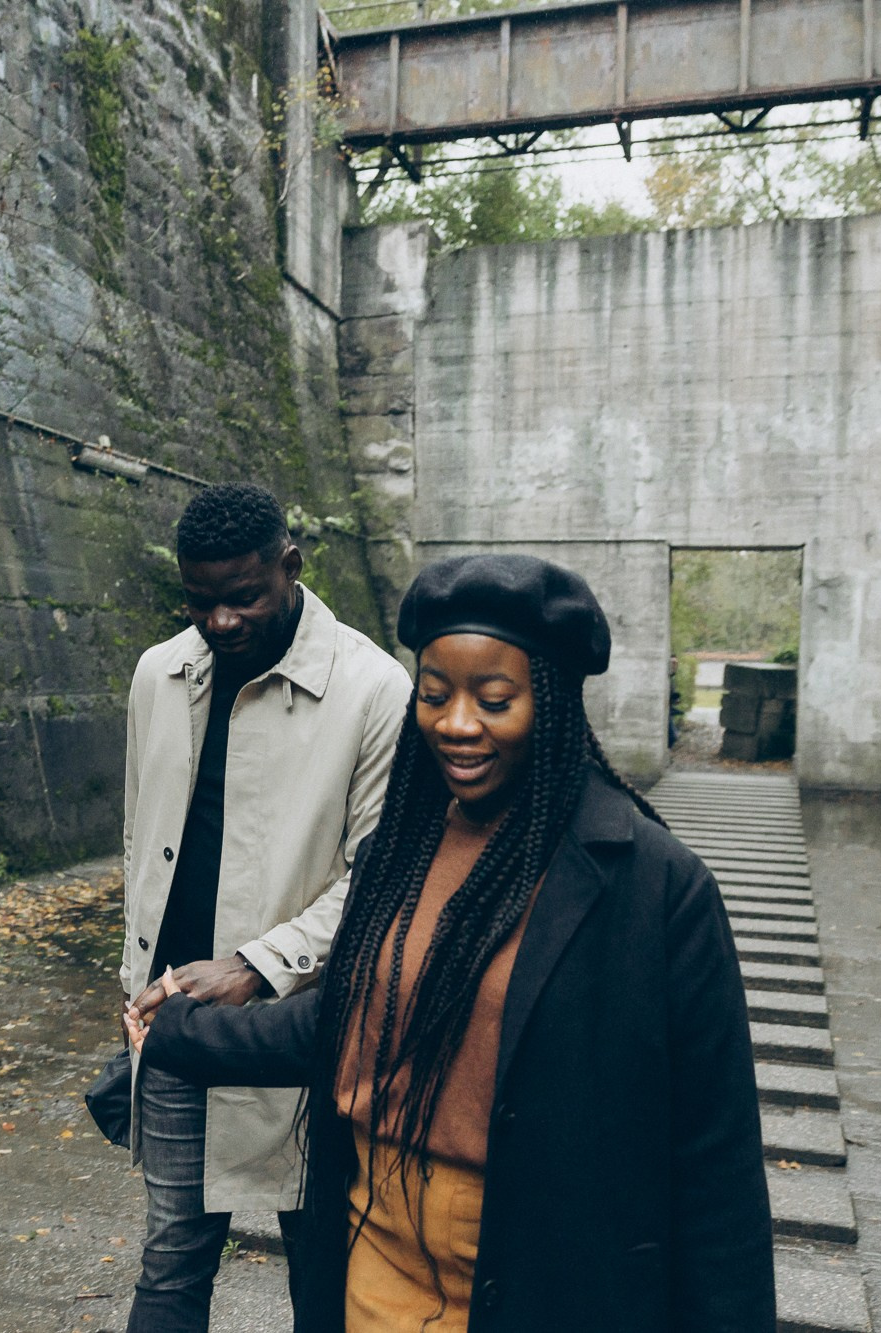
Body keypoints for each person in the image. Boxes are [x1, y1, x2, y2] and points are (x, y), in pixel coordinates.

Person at [126, 553, 775, 1333]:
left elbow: (717, 1172)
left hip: (550, 1280)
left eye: (494, 698)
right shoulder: (402, 847)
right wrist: (182, 1031)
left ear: (553, 701)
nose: (458, 723)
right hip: (375, 1272)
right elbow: (348, 1020)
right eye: (435, 695)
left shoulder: (655, 886)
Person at [119, 482, 410, 1332]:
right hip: (174, 1016)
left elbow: (379, 876)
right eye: (199, 601)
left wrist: (258, 963)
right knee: (172, 1252)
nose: (219, 622)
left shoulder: (374, 689)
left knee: (325, 1263)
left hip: (307, 1029)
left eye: (243, 596)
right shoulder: (157, 675)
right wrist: (137, 977)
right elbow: (142, 837)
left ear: (292, 566)